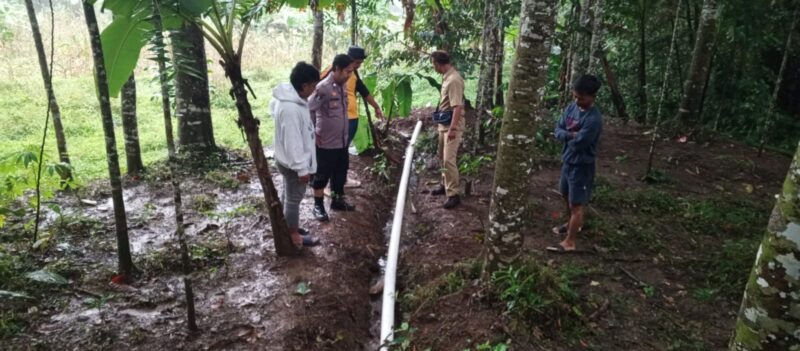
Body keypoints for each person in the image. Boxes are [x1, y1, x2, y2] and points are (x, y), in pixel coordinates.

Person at [548, 74, 603, 253]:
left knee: (576, 204)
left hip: (582, 165)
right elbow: (558, 129)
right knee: (565, 194)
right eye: (576, 96)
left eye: (582, 97)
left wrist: (568, 136)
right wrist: (569, 135)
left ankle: (570, 241)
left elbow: (580, 143)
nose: (577, 100)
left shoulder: (594, 119)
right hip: (568, 160)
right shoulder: (572, 107)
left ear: (592, 97)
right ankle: (571, 223)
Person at [270, 62, 321, 249]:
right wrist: (302, 168)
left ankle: (287, 226)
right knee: (294, 198)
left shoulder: (287, 99)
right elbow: (293, 141)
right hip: (293, 163)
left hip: (285, 159)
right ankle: (293, 236)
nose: (314, 89)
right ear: (305, 85)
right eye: (313, 85)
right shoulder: (290, 108)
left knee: (288, 194)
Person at [309, 54, 356, 221]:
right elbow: (309, 109)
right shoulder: (323, 88)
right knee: (322, 174)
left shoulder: (342, 85)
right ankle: (318, 205)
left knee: (340, 173)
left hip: (342, 140)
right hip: (326, 142)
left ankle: (337, 200)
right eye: (347, 71)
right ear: (336, 69)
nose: (349, 75)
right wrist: (313, 133)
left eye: (351, 72)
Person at [429, 51, 465, 209]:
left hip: (451, 126)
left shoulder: (454, 80)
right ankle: (445, 184)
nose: (433, 67)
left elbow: (457, 107)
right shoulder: (446, 78)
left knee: (449, 160)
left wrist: (453, 129)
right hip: (444, 124)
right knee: (442, 157)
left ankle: (453, 194)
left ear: (438, 64)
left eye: (433, 64)